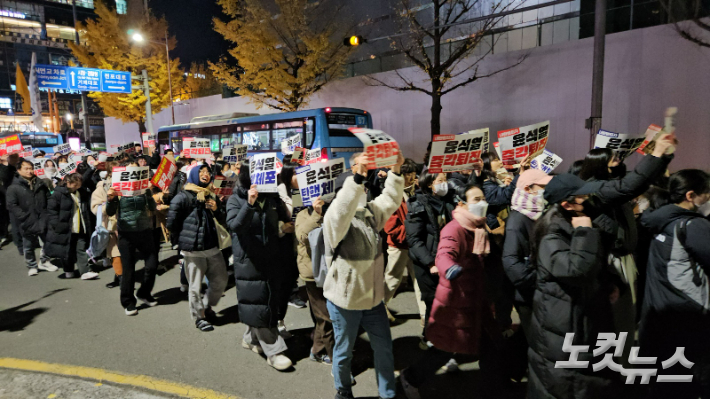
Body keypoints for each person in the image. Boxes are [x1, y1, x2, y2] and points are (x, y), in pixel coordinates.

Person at [527, 173, 622, 399]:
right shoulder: (552, 236)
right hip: (565, 328)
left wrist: (610, 283)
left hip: (581, 321)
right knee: (567, 385)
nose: (588, 200)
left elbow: (597, 259)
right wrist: (585, 232)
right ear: (567, 204)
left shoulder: (575, 222)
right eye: (583, 197)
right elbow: (576, 271)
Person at [400, 184, 494, 399]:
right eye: (477, 199)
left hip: (476, 298)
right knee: (445, 347)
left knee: (489, 345)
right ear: (462, 203)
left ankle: (494, 386)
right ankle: (411, 377)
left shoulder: (478, 226)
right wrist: (448, 267)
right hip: (457, 301)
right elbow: (444, 253)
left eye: (483, 198)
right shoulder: (455, 229)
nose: (483, 203)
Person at [323, 153, 404, 399]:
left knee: (384, 348)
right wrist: (357, 177)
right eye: (360, 187)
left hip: (372, 297)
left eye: (364, 187)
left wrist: (396, 170)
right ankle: (343, 390)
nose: (365, 191)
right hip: (344, 300)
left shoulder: (368, 215)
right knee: (345, 350)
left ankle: (388, 393)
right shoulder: (334, 220)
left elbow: (390, 199)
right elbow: (341, 209)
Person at [639, 169, 710, 399]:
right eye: (706, 193)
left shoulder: (658, 219)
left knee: (665, 375)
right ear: (691, 195)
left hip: (659, 310)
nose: (708, 198)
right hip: (688, 311)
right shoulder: (693, 226)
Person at [226, 160, 294, 371]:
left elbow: (284, 219)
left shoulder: (272, 197)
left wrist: (285, 225)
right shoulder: (235, 199)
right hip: (249, 259)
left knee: (265, 301)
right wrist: (250, 204)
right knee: (258, 301)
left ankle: (251, 339)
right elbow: (235, 226)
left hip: (272, 256)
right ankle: (273, 350)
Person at [167, 164, 228, 332]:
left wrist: (216, 209)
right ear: (193, 175)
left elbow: (222, 220)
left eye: (207, 172)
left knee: (221, 280)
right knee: (194, 287)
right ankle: (199, 317)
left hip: (212, 246)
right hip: (192, 249)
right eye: (201, 172)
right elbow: (171, 222)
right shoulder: (183, 196)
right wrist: (182, 239)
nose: (205, 174)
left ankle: (206, 307)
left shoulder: (211, 196)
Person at [405, 171, 454, 342]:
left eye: (446, 180)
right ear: (429, 185)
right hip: (427, 264)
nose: (444, 184)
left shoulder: (447, 202)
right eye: (440, 181)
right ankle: (430, 338)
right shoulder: (418, 205)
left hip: (445, 259)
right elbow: (413, 239)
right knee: (433, 303)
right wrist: (430, 263)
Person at [502, 169, 552, 333]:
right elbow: (510, 261)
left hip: (537, 290)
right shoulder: (517, 221)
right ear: (527, 189)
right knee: (535, 337)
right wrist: (536, 282)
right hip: (528, 294)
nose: (545, 190)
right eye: (542, 186)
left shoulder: (536, 213)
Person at [106, 163, 159, 316]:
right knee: (128, 269)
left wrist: (148, 192)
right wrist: (111, 198)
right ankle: (128, 302)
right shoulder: (116, 187)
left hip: (144, 231)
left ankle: (144, 292)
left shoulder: (143, 189)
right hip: (126, 233)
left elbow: (152, 207)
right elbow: (110, 212)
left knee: (152, 264)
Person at [383, 158, 423, 319]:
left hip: (415, 244)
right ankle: (379, 307)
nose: (412, 177)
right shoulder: (392, 194)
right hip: (399, 245)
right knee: (392, 279)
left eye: (414, 173)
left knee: (419, 280)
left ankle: (425, 316)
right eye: (408, 174)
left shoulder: (418, 190)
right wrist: (411, 234)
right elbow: (390, 227)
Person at [295, 196, 333, 364]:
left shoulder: (334, 209)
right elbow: (302, 236)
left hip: (333, 270)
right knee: (325, 316)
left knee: (325, 315)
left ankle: (317, 350)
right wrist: (316, 214)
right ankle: (334, 357)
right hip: (313, 272)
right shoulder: (304, 214)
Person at [6, 159, 57, 276]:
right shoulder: (14, 187)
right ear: (19, 170)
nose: (30, 171)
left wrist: (49, 211)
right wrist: (23, 216)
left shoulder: (40, 183)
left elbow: (48, 197)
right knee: (28, 245)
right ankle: (32, 265)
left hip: (43, 217)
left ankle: (45, 261)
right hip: (27, 220)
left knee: (48, 241)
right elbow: (11, 205)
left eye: (31, 168)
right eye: (26, 169)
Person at [44, 172, 97, 280]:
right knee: (66, 250)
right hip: (65, 227)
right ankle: (68, 270)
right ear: (68, 182)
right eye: (75, 184)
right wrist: (56, 225)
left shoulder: (81, 192)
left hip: (79, 225)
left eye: (79, 184)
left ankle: (84, 271)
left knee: (80, 248)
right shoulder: (58, 194)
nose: (77, 186)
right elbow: (51, 210)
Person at [91, 161, 122, 288]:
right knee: (115, 252)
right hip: (111, 224)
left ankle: (119, 276)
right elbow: (95, 207)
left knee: (124, 252)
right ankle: (121, 277)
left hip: (127, 223)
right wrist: (107, 204)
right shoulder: (102, 187)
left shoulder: (128, 185)